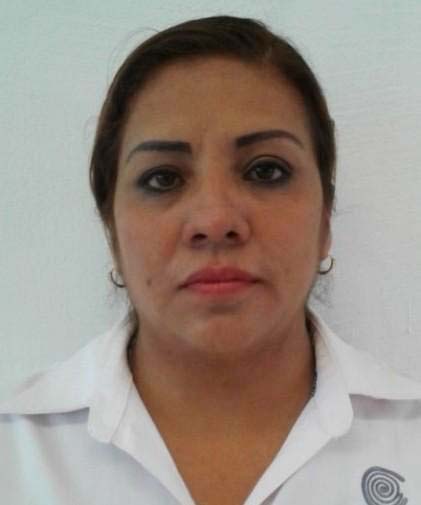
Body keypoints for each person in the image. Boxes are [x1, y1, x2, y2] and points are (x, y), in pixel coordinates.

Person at [1, 15, 420, 505]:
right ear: (111, 232)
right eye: (163, 178)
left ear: (325, 219)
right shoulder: (15, 454)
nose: (216, 219)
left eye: (266, 171)